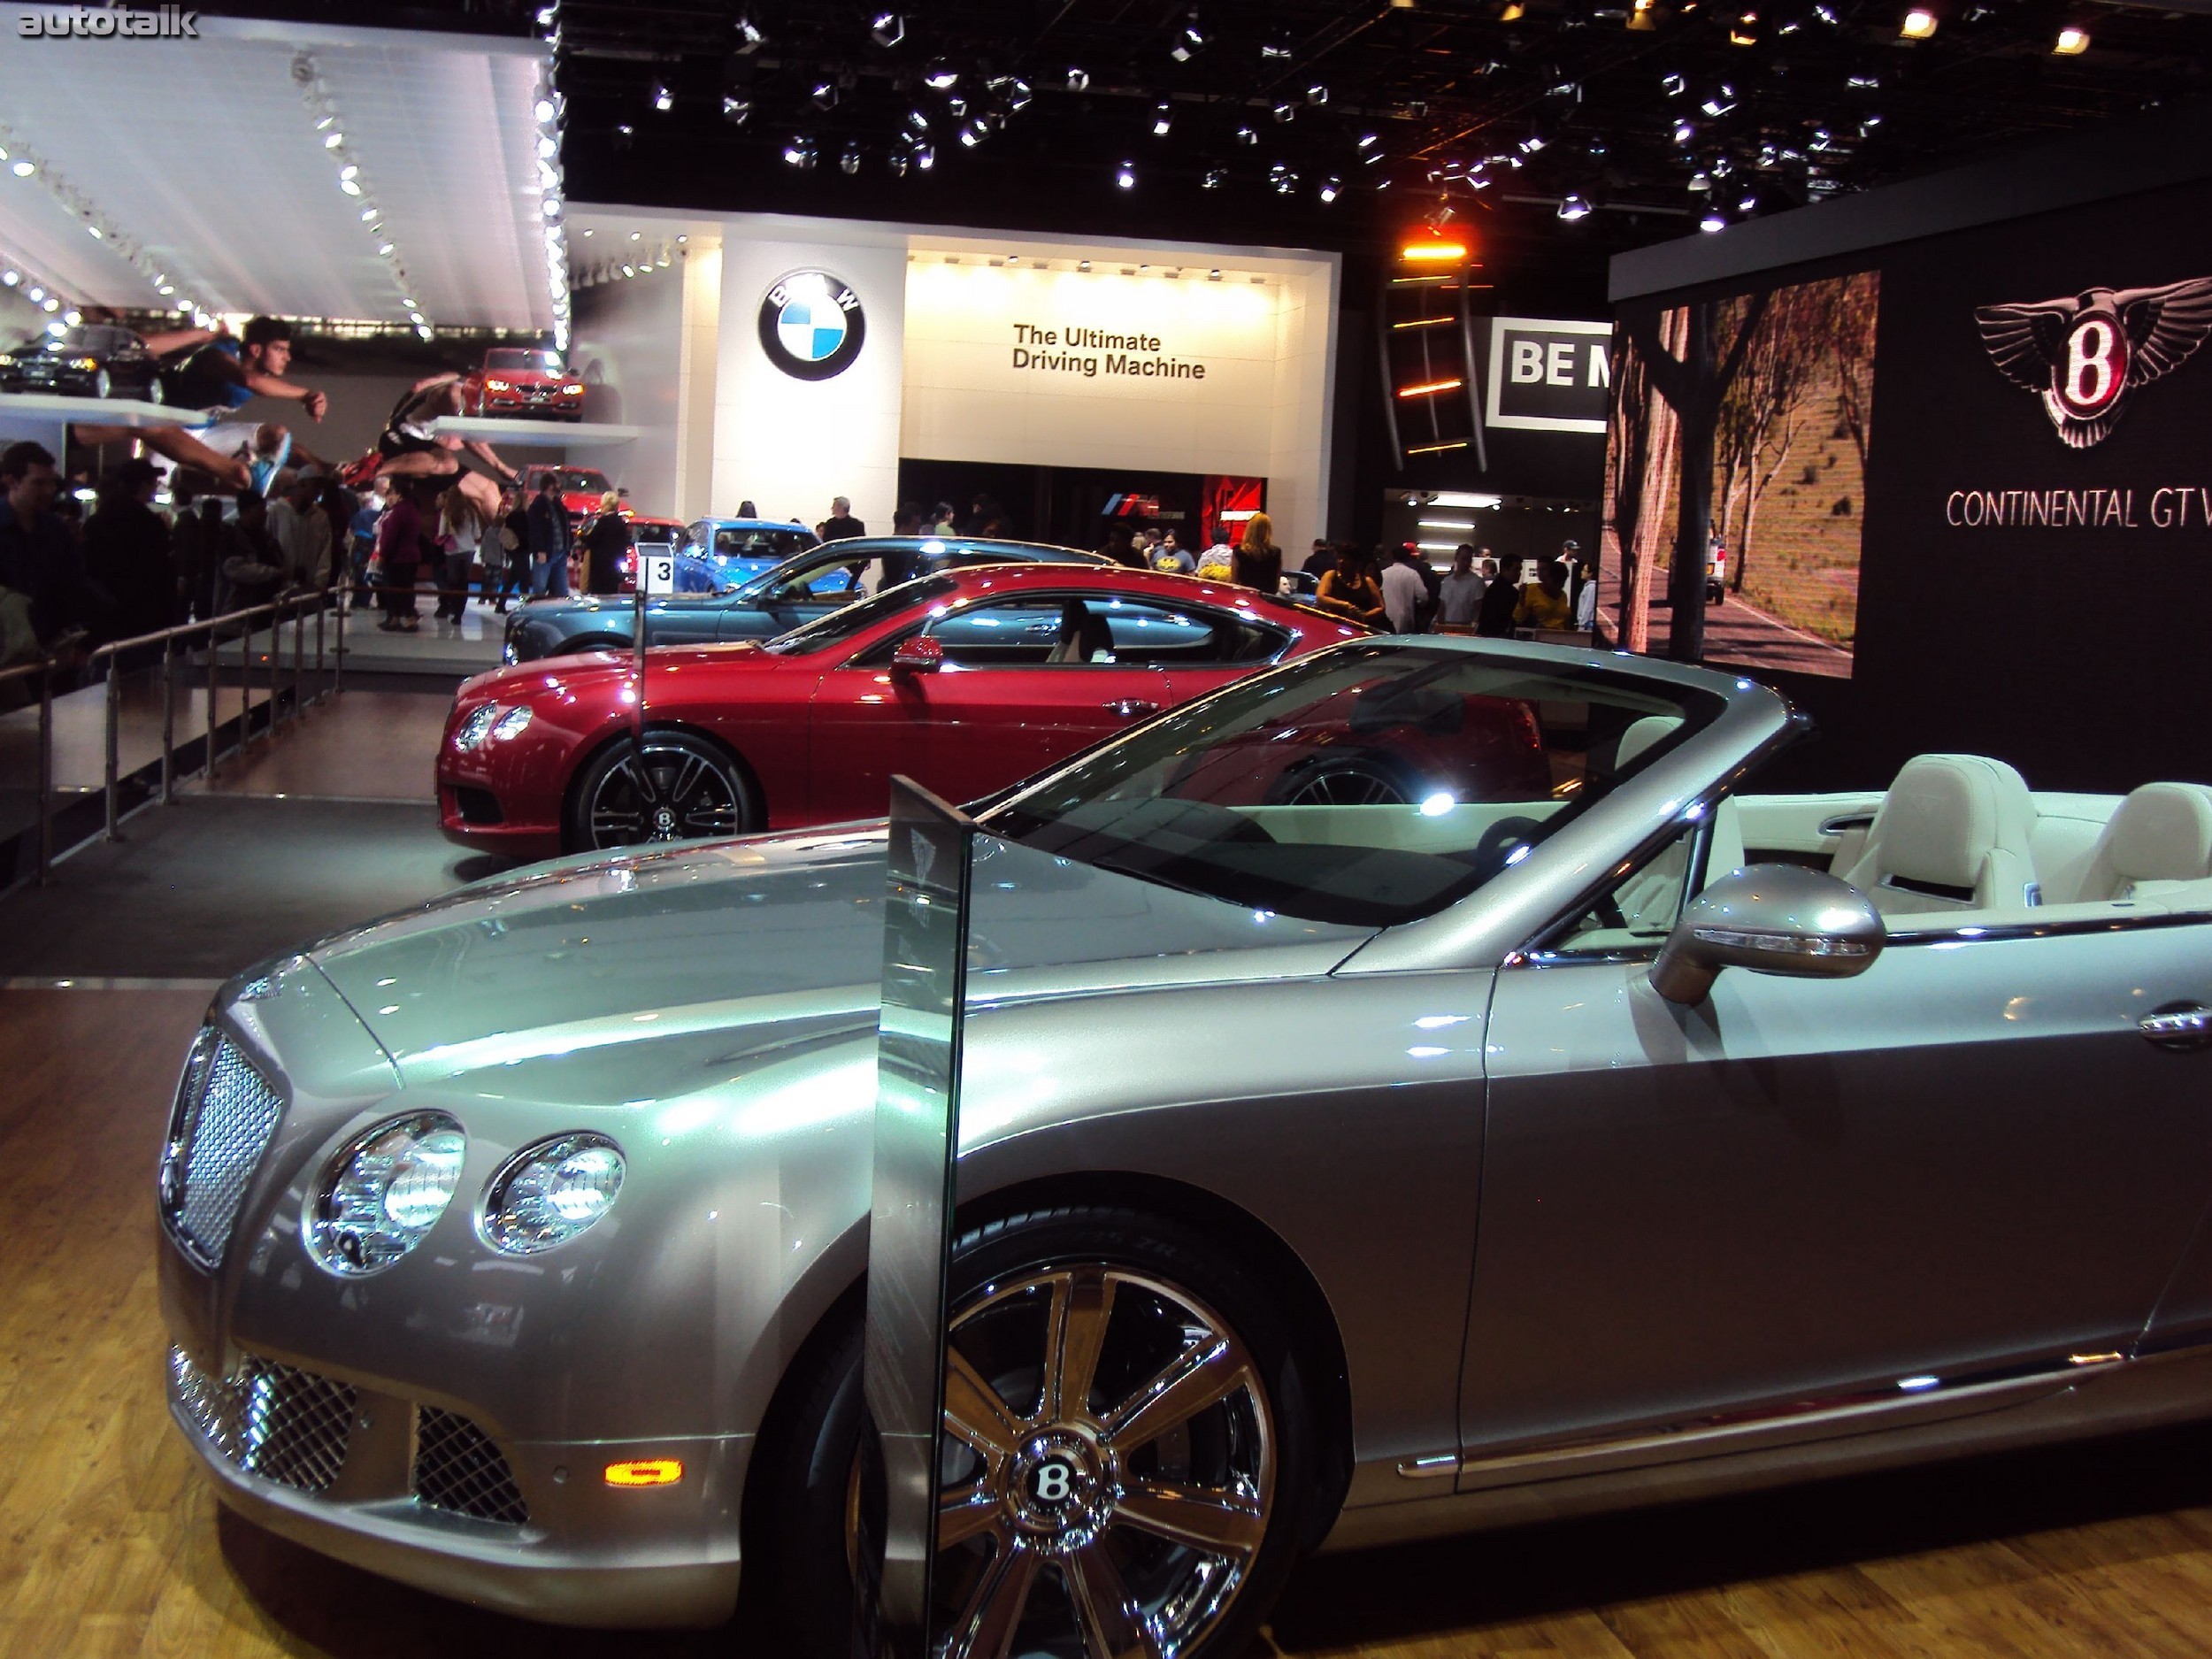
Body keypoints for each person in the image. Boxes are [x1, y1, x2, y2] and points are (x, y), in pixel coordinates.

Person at [365, 373, 520, 527]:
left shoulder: (456, 386)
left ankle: (505, 541)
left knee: (487, 490)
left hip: (423, 445)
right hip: (398, 440)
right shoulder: (452, 394)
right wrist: (501, 467)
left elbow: (422, 386)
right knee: (449, 463)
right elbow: (466, 434)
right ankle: (377, 469)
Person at [0, 440, 109, 651]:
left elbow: (74, 584)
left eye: (51, 483)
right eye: (38, 483)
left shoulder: (56, 529)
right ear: (12, 481)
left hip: (52, 646)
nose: (49, 491)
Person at [81, 458, 175, 657]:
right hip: (144, 617)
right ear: (143, 485)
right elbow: (161, 573)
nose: (156, 487)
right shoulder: (150, 525)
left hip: (103, 616)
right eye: (153, 482)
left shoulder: (96, 522)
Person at [219, 488, 288, 614]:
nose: (265, 513)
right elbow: (237, 570)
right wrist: (273, 572)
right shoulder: (232, 539)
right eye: (260, 509)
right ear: (247, 511)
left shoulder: (268, 539)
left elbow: (280, 563)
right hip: (238, 613)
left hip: (266, 610)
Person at [373, 478, 428, 632]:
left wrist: (382, 555)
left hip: (398, 557)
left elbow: (390, 536)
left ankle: (408, 619)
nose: (390, 497)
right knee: (405, 588)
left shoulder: (399, 511)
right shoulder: (412, 509)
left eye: (392, 493)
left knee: (397, 589)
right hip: (410, 556)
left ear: (399, 494)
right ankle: (396, 618)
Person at [268, 473, 333, 593]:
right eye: (315, 489)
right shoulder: (276, 512)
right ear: (301, 485)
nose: (316, 494)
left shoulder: (320, 517)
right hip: (279, 587)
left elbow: (325, 552)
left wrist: (321, 581)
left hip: (308, 589)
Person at [436, 484, 488, 623]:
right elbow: (477, 534)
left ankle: (454, 608)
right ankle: (460, 613)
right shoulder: (471, 512)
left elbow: (441, 532)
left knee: (453, 582)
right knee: (464, 582)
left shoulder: (446, 513)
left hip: (452, 552)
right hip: (468, 551)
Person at [525, 474, 573, 598]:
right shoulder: (537, 506)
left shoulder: (559, 506)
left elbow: (566, 527)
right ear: (550, 485)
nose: (560, 486)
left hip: (561, 553)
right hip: (545, 554)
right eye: (557, 483)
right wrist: (539, 550)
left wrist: (569, 547)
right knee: (540, 590)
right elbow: (535, 530)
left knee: (562, 591)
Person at [1317, 545, 1387, 628]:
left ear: (1356, 563)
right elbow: (1321, 597)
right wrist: (1345, 605)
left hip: (1359, 628)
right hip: (1334, 625)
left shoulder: (1367, 581)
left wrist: (1363, 616)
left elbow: (1380, 607)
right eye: (1340, 558)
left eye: (1347, 559)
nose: (1341, 562)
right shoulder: (1331, 575)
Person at [583, 492, 634, 595]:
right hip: (614, 567)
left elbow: (591, 540)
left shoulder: (603, 522)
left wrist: (582, 534)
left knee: (599, 595)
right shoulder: (620, 523)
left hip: (601, 567)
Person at [493, 488, 531, 612]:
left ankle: (500, 605)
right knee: (524, 579)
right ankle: (526, 606)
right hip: (522, 550)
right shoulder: (525, 516)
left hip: (513, 550)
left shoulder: (510, 516)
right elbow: (526, 535)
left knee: (513, 578)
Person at [1379, 542, 1430, 633]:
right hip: (1406, 619)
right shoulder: (1412, 574)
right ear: (1408, 558)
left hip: (1386, 618)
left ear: (1393, 557)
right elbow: (1423, 597)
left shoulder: (1383, 573)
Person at [1515, 558, 1573, 631]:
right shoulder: (1530, 590)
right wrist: (1522, 597)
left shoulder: (1563, 595)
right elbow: (1518, 618)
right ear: (1547, 577)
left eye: (1562, 583)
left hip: (1560, 634)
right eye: (1555, 583)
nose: (1558, 587)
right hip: (1538, 634)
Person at [1230, 513, 1282, 595]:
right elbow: (1276, 585)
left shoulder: (1239, 552)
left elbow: (1234, 583)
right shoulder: (1276, 553)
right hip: (1267, 598)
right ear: (1268, 531)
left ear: (1249, 529)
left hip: (1245, 597)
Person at [1476, 553, 1524, 638]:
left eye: (1520, 570)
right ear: (1504, 570)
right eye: (1516, 570)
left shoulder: (1494, 589)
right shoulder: (1507, 593)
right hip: (1497, 636)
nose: (1519, 573)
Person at [1438, 544, 1486, 629]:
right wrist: (1439, 626)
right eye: (1464, 559)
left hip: (1466, 627)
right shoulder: (1447, 581)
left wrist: (1474, 627)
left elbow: (1479, 608)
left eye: (1469, 559)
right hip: (1446, 626)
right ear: (1456, 558)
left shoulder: (1476, 582)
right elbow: (1442, 606)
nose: (1466, 563)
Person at [1573, 557, 1599, 633]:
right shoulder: (1588, 586)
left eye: (1584, 570)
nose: (1582, 572)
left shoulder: (1591, 587)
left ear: (1590, 573)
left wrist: (1582, 625)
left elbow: (1588, 607)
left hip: (1586, 626)